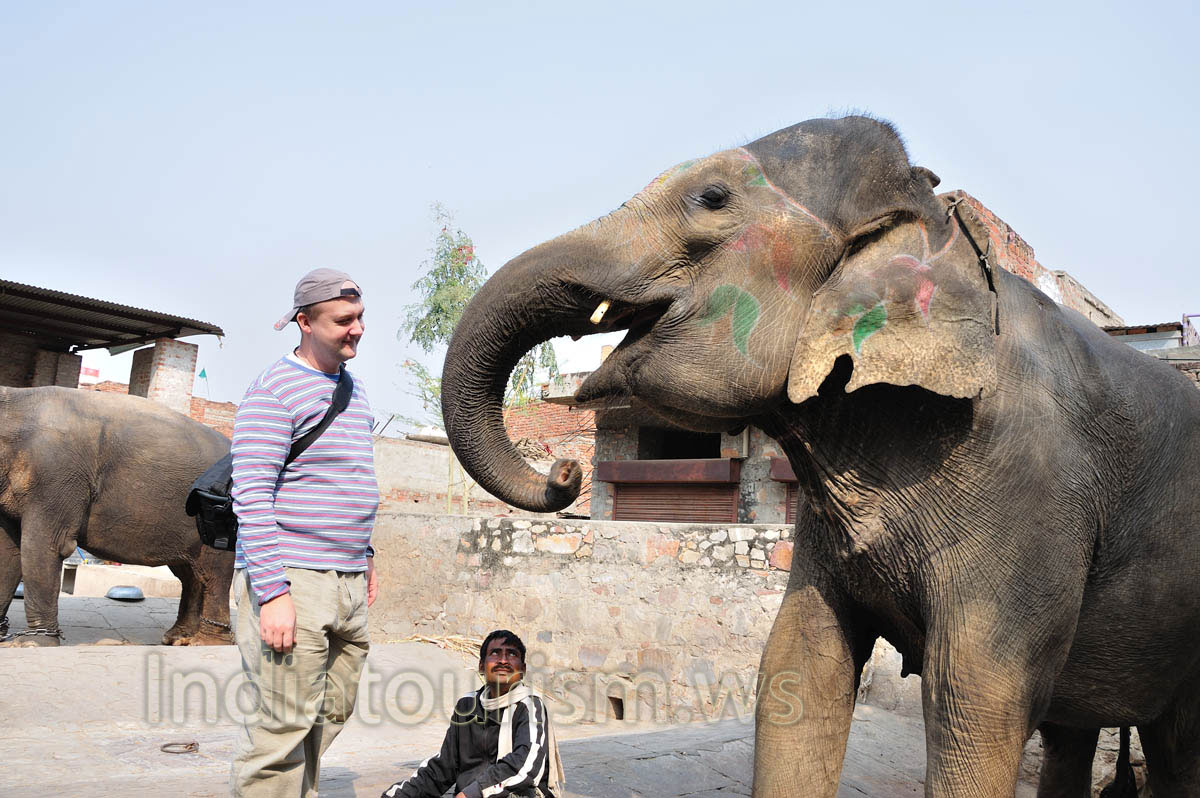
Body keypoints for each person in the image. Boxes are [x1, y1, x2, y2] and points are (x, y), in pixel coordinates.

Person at [230, 268, 380, 797]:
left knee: (332, 709)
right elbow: (249, 493)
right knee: (281, 730)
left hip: (345, 579)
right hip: (293, 579)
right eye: (343, 320)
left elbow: (345, 479)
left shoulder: (352, 389)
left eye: (359, 317)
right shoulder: (274, 389)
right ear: (304, 322)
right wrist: (272, 594)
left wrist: (365, 554)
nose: (356, 329)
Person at [382, 630, 564, 798]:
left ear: (523, 669)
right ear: (481, 667)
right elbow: (443, 767)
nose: (503, 661)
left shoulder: (530, 706)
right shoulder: (467, 706)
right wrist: (400, 794)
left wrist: (473, 792)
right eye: (495, 653)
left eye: (512, 654)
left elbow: (525, 765)